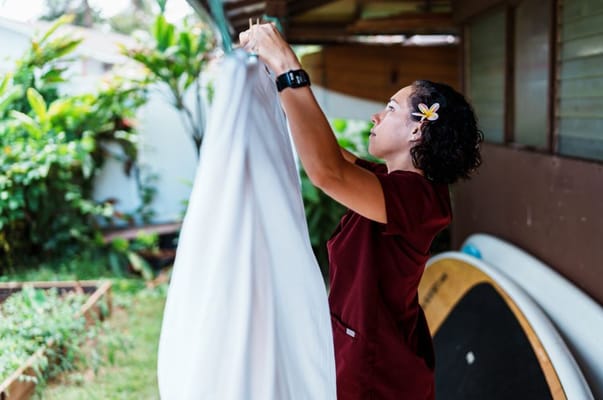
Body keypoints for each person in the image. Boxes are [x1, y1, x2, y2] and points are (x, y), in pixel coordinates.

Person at [240, 23, 483, 400]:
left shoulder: (421, 200)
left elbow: (327, 172)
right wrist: (272, 77)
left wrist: (288, 65)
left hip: (378, 370)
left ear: (418, 130)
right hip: (360, 352)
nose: (375, 117)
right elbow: (330, 153)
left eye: (390, 109)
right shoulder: (387, 181)